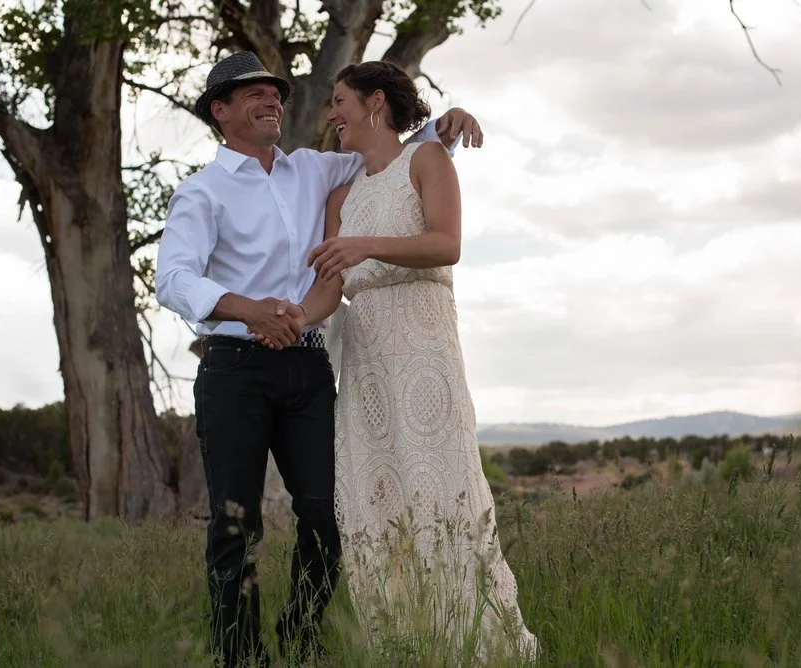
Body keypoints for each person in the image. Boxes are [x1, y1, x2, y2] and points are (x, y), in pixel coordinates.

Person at [154, 51, 482, 668]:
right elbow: (171, 278)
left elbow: (389, 153)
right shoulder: (202, 192)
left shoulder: (315, 168)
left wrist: (446, 124)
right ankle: (240, 656)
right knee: (236, 523)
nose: (270, 100)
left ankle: (301, 636)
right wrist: (247, 309)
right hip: (235, 368)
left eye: (274, 92)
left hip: (308, 367)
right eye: (252, 94)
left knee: (329, 515)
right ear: (220, 111)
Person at [304, 61, 540, 662]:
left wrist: (364, 244)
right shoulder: (340, 196)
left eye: (339, 101)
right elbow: (330, 290)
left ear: (374, 103)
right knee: (377, 500)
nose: (332, 114)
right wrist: (287, 319)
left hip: (425, 351)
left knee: (443, 490)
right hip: (367, 366)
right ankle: (406, 646)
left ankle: (477, 644)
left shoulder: (427, 160)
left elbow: (446, 244)